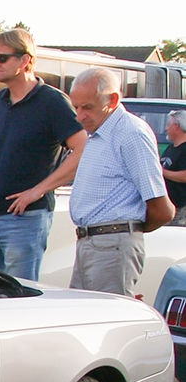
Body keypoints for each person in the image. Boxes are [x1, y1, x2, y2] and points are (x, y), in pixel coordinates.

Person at [0, 28, 86, 281]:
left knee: (16, 294)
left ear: (25, 61)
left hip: (25, 218)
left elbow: (83, 148)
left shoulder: (53, 102)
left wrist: (38, 190)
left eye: (2, 58)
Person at [67, 67, 174, 294]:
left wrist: (124, 232)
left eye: (87, 107)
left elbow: (161, 208)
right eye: (76, 107)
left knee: (105, 320)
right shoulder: (98, 133)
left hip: (111, 243)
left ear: (112, 100)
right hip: (94, 241)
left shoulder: (130, 133)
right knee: (85, 318)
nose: (79, 116)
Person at [161, 110, 186, 226]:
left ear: (177, 126)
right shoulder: (170, 148)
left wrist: (162, 172)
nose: (166, 129)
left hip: (181, 208)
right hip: (167, 206)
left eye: (168, 125)